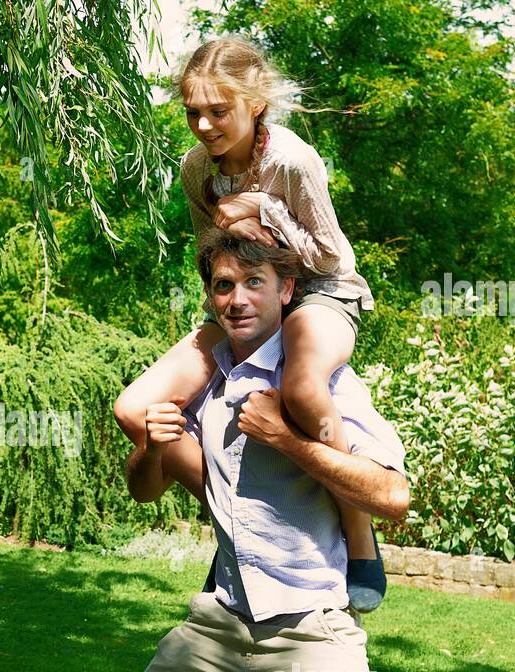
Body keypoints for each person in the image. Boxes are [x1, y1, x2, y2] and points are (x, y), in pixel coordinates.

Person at [90, 231, 412, 672]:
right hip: (219, 624)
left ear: (286, 290)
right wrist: (151, 445)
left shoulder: (325, 384)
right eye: (223, 286)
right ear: (211, 298)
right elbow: (144, 492)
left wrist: (288, 440)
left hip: (309, 632)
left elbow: (392, 496)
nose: (237, 299)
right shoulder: (208, 384)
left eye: (253, 283)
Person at [112, 35, 387, 611]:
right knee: (133, 410)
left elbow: (330, 256)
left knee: (304, 387)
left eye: (219, 111)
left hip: (319, 293)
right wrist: (233, 283)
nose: (205, 125)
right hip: (249, 296)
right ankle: (235, 532)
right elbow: (214, 255)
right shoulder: (196, 170)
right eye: (193, 112)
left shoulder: (291, 159)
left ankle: (361, 546)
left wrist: (266, 213)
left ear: (255, 103)